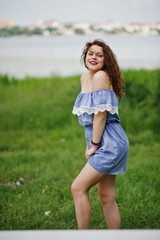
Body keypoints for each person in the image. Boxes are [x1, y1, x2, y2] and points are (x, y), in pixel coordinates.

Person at [71, 39, 129, 229]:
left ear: (106, 60)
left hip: (110, 143)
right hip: (101, 140)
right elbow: (89, 121)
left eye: (99, 55)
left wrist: (94, 145)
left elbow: (100, 116)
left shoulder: (101, 77)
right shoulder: (85, 78)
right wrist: (90, 143)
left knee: (77, 188)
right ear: (85, 56)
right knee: (106, 197)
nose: (93, 57)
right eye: (90, 53)